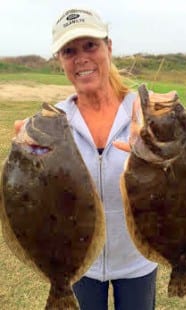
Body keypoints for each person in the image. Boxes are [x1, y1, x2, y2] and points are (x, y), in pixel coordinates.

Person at [15, 7, 158, 310]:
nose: (81, 57)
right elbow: (29, 198)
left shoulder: (145, 113)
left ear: (109, 46)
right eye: (69, 50)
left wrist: (151, 155)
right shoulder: (48, 123)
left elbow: (181, 185)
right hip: (79, 263)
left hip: (137, 261)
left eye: (90, 45)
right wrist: (25, 157)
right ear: (61, 61)